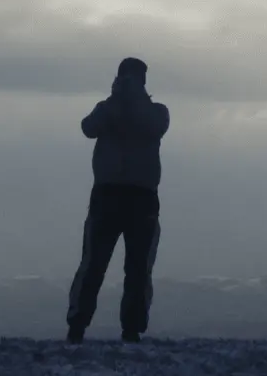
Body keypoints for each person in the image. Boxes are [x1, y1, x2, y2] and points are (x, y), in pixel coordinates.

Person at [66, 57, 169, 344]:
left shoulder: (157, 112)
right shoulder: (109, 109)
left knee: (135, 268)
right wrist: (116, 101)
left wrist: (126, 101)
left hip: (133, 198)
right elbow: (88, 128)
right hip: (117, 196)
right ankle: (79, 326)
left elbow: (155, 126)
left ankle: (129, 329)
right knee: (94, 266)